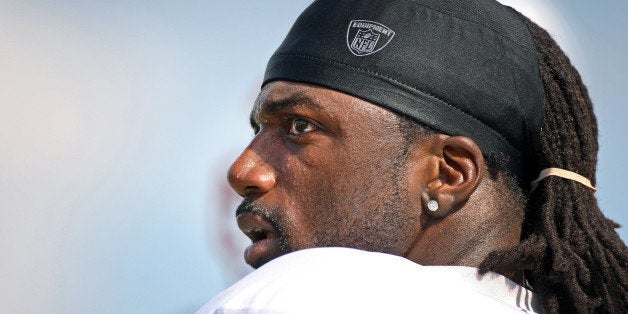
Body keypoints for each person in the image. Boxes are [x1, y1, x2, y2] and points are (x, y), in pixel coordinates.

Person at [199, 0, 627, 313]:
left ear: (448, 173)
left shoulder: (308, 295)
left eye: (300, 127)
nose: (242, 171)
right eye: (258, 130)